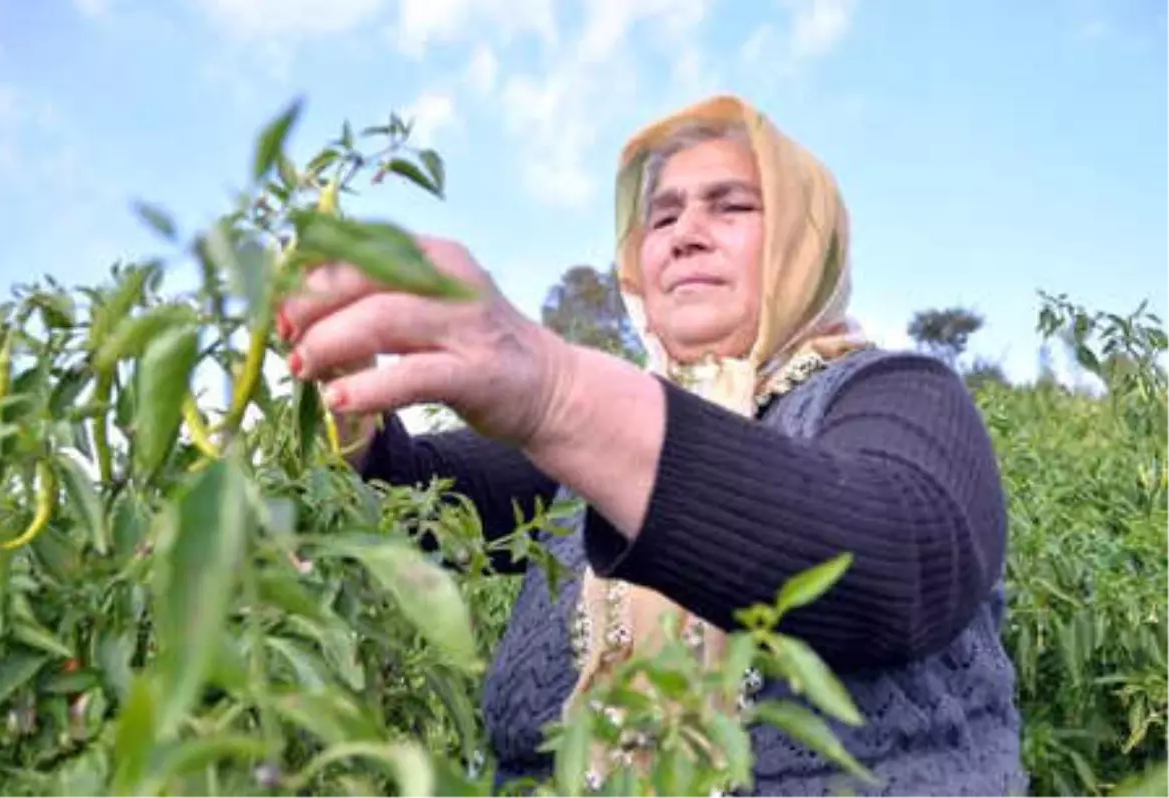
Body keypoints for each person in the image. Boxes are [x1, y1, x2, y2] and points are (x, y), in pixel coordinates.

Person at [275, 95, 1027, 796]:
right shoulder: (585, 461)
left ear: (804, 237)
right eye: (660, 219)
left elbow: (897, 559)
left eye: (731, 206)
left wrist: (559, 392)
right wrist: (344, 404)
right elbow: (417, 503)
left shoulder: (896, 392)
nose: (684, 234)